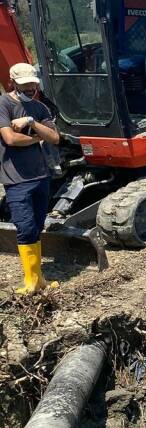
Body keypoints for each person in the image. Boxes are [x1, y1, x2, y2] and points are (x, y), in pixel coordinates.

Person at [0, 63, 60, 294]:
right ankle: (30, 281)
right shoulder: (4, 104)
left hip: (40, 176)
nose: (30, 88)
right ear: (13, 82)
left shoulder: (39, 108)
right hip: (16, 179)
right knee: (24, 226)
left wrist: (31, 123)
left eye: (33, 83)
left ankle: (38, 279)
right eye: (25, 84)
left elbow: (54, 137)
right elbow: (10, 139)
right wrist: (37, 138)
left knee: (36, 226)